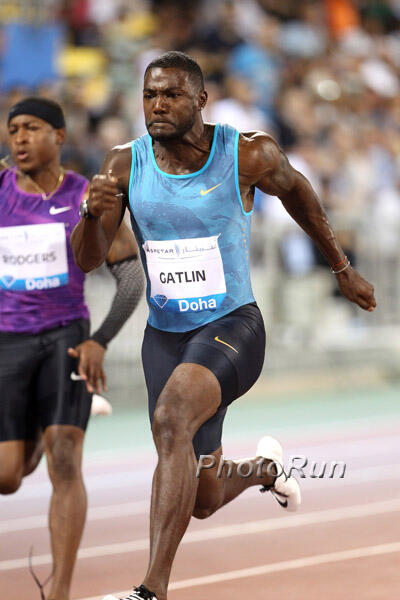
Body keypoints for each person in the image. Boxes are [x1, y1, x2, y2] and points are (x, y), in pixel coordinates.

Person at [70, 51, 376, 600]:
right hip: (165, 338)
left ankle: (151, 591)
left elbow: (300, 195)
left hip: (233, 326)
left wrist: (341, 267)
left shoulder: (248, 153)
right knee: (203, 497)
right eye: (149, 95)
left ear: (201, 99)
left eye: (171, 95)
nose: (157, 106)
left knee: (171, 417)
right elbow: (89, 259)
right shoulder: (123, 166)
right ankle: (264, 470)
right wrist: (91, 214)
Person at [0, 97, 144, 600]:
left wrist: (99, 340)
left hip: (65, 335)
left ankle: (59, 591)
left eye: (31, 127)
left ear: (59, 136)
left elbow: (131, 278)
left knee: (65, 459)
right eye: (13, 129)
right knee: (7, 477)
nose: (19, 137)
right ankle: (40, 429)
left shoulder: (88, 195)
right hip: (8, 341)